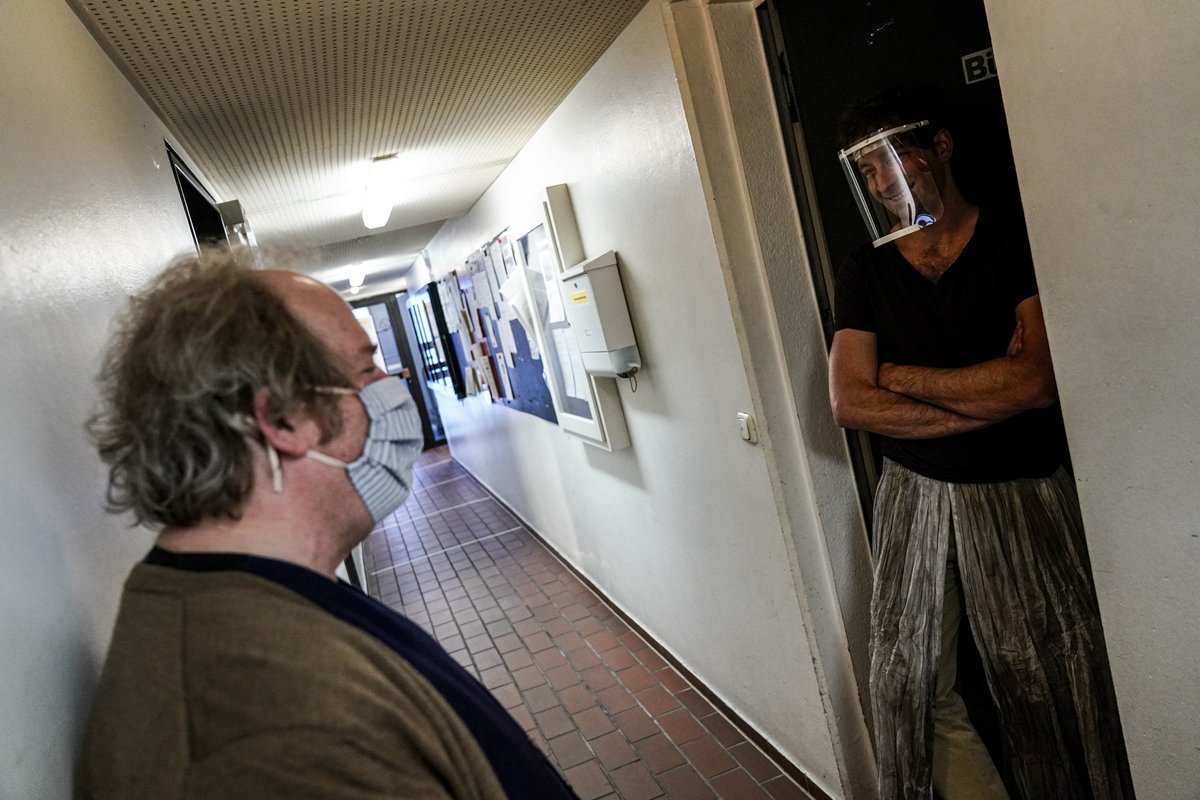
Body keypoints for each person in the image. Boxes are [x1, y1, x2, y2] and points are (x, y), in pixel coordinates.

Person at [79, 250, 579, 799]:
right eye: (366, 370)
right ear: (284, 420)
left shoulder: (264, 597)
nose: (392, 385)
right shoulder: (264, 729)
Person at [828, 87, 1135, 800]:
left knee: (1050, 675)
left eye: (892, 160)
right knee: (908, 679)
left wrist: (901, 377)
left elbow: (1035, 381)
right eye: (867, 171)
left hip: (1020, 485)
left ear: (939, 147)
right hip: (915, 489)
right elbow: (850, 401)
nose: (882, 184)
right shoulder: (864, 270)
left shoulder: (1012, 239)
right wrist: (982, 397)